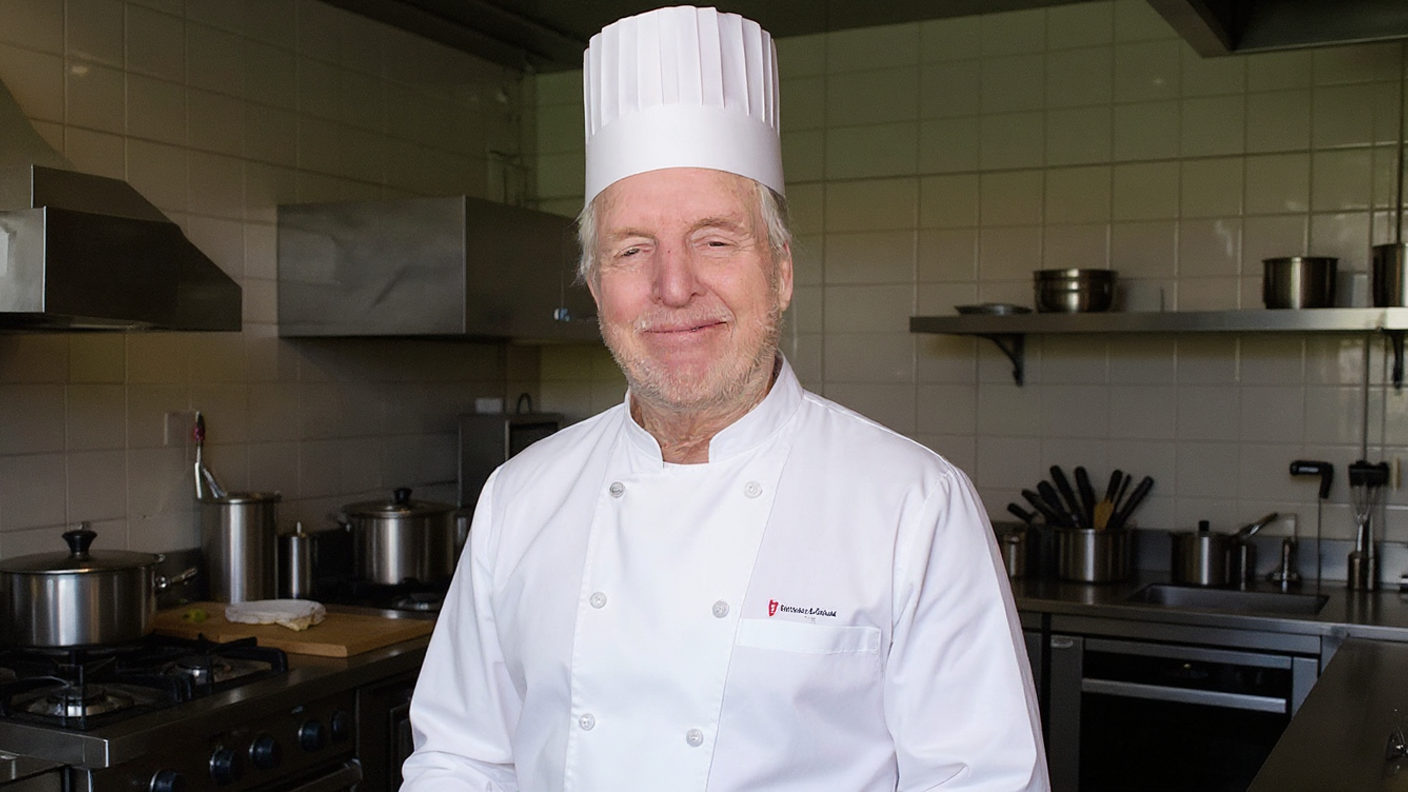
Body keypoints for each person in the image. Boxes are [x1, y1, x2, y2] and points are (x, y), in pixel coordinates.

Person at [402, 6, 1048, 791]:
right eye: (632, 249)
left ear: (781, 271)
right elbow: (462, 758)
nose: (674, 287)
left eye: (714, 240)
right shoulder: (520, 499)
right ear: (596, 286)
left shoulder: (914, 507)